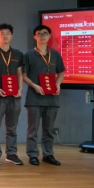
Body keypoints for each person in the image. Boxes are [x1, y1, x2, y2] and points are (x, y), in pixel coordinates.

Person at [22, 25, 65, 166]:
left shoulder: (55, 54)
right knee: (33, 129)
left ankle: (48, 154)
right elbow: (23, 75)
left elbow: (61, 74)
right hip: (34, 97)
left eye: (45, 33)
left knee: (49, 129)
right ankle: (32, 154)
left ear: (49, 36)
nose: (42, 36)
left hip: (52, 98)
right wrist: (35, 86)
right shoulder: (28, 55)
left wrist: (58, 84)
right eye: (39, 34)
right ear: (35, 36)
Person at [0, 23, 25, 166]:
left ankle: (11, 154)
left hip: (14, 96)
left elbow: (20, 73)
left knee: (12, 127)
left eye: (8, 33)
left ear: (12, 36)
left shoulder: (18, 54)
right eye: (2, 33)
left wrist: (20, 89)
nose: (5, 35)